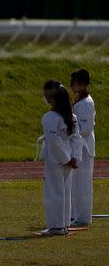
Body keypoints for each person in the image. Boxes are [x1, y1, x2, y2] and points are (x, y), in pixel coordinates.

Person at [39, 80, 82, 236]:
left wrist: (66, 159)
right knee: (65, 191)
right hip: (68, 157)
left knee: (54, 192)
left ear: (51, 97)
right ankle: (63, 224)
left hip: (56, 159)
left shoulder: (50, 117)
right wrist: (74, 157)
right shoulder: (71, 116)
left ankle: (57, 226)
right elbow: (76, 139)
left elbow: (54, 141)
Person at [70, 69, 95, 226]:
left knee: (83, 184)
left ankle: (83, 217)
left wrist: (69, 130)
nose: (71, 85)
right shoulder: (80, 100)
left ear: (83, 84)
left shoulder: (86, 103)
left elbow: (85, 129)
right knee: (76, 184)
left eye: (75, 82)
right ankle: (75, 214)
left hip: (84, 148)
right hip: (78, 146)